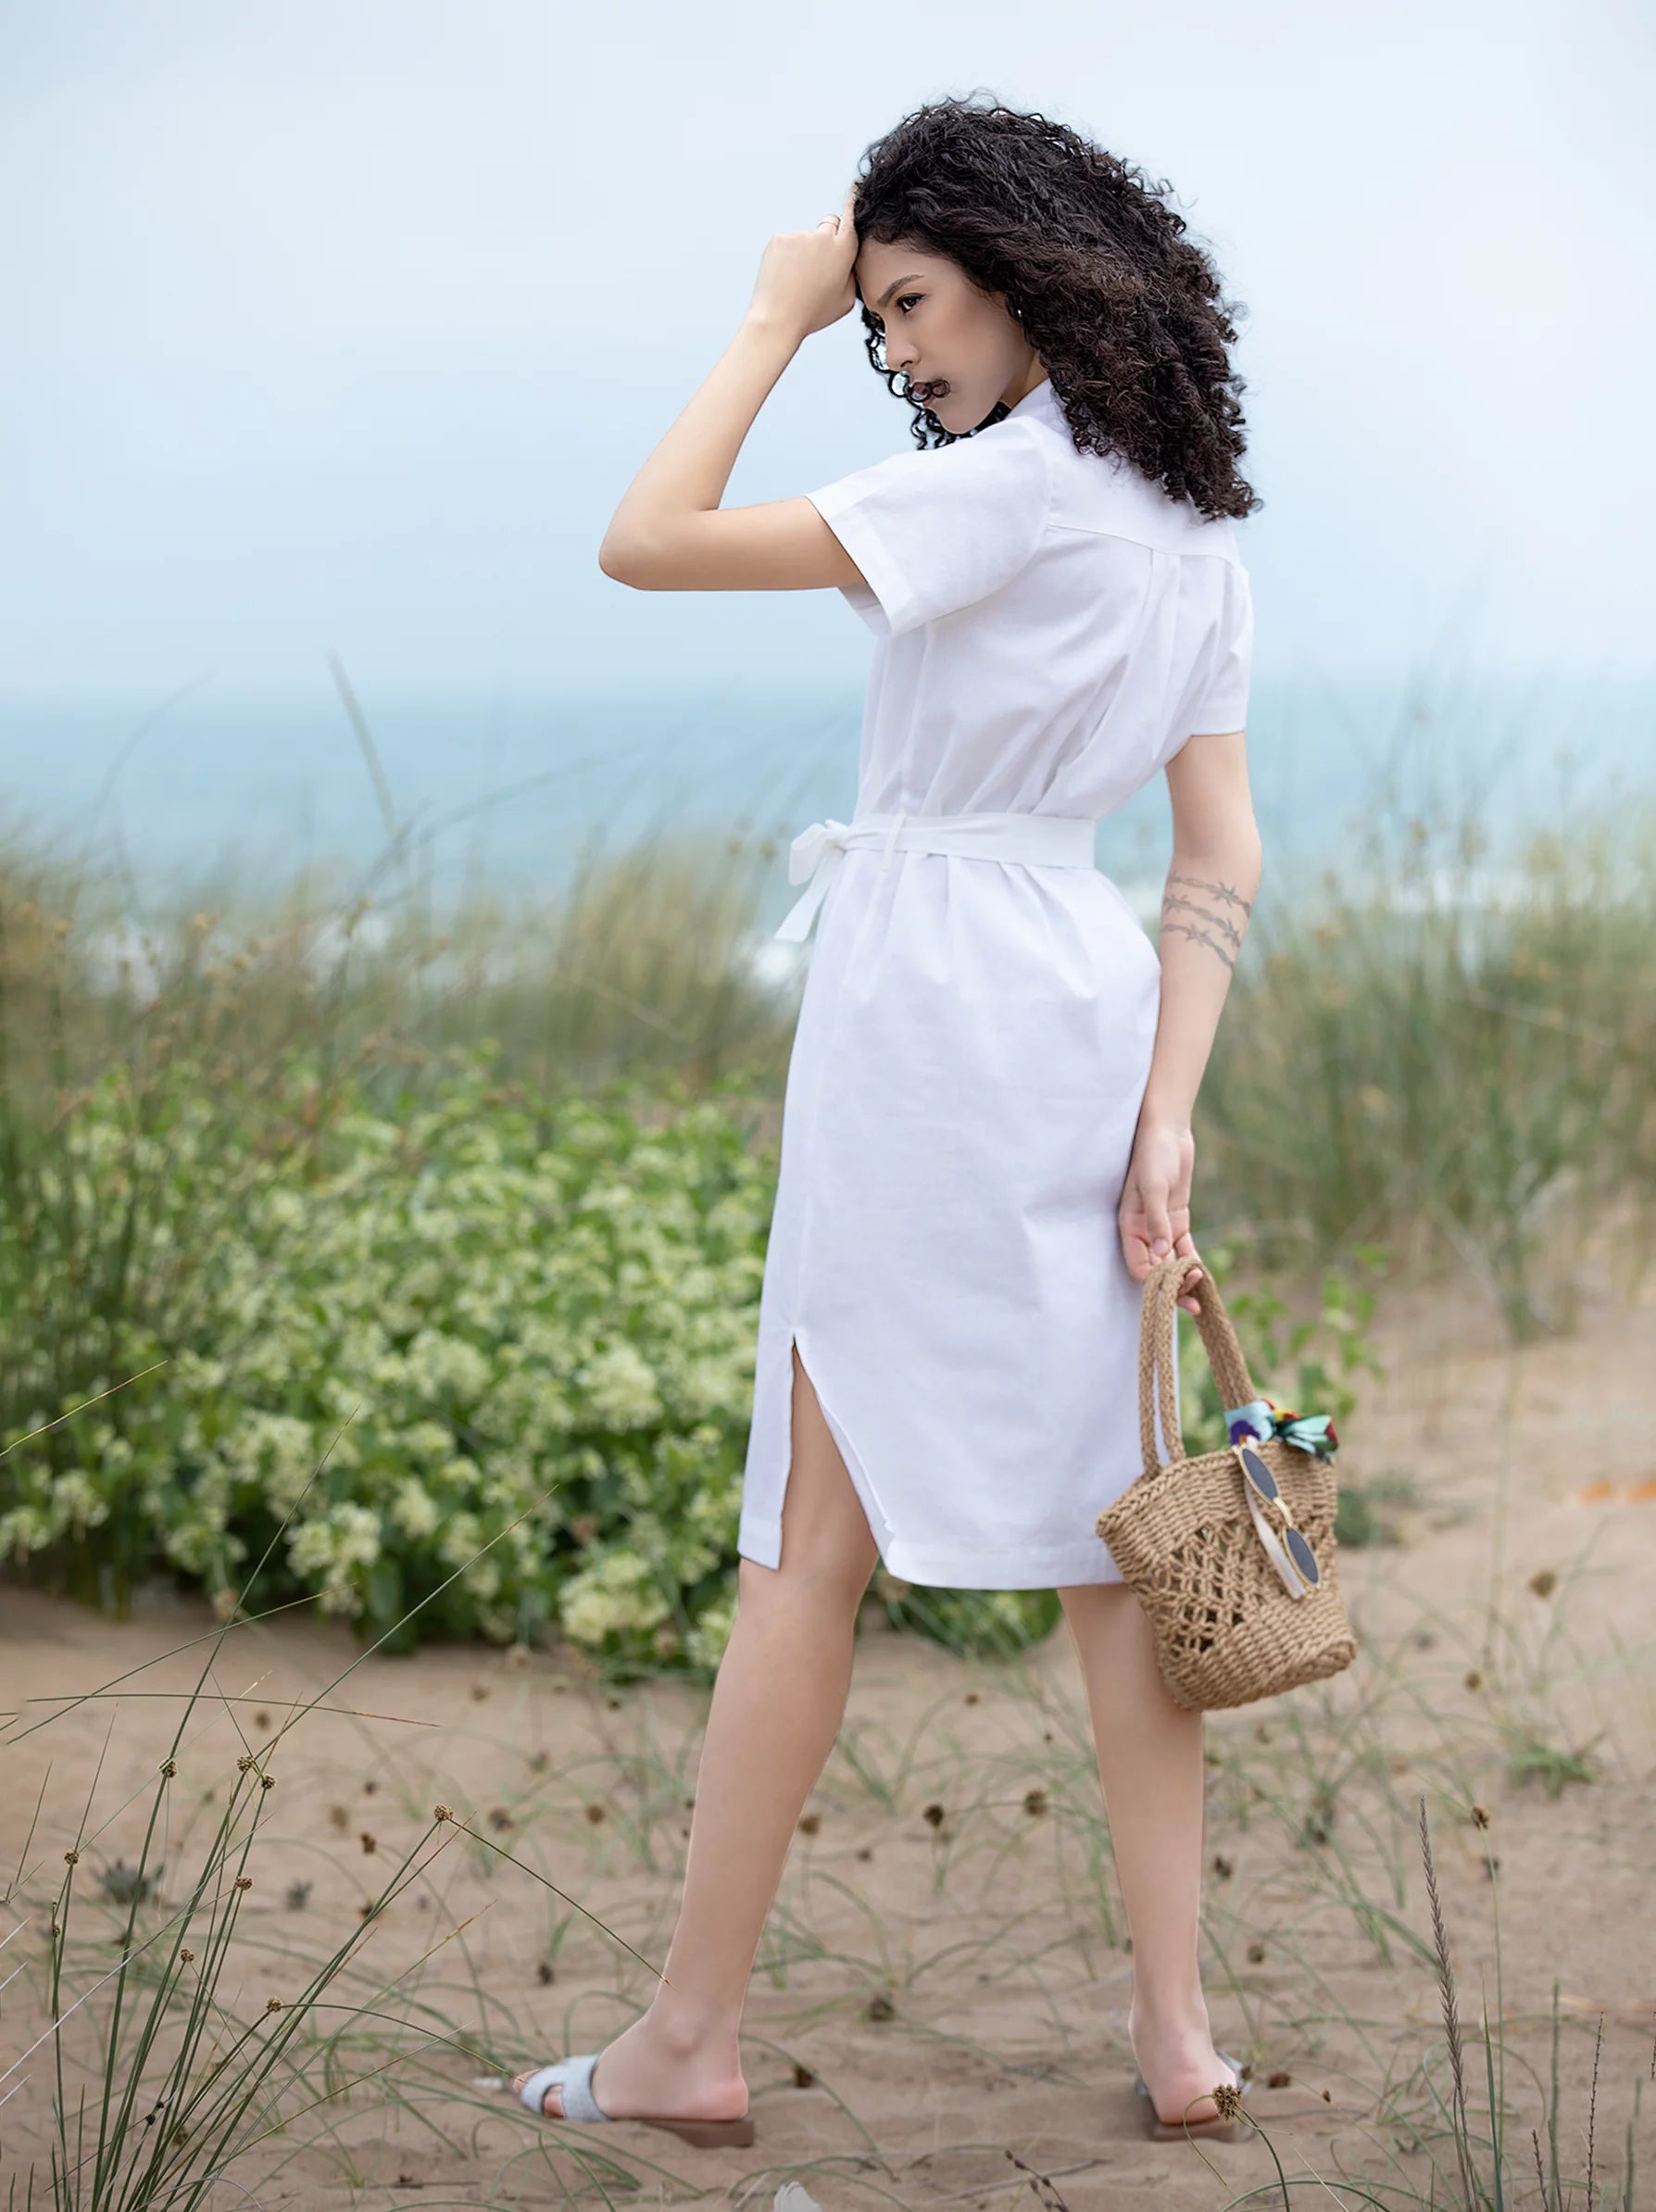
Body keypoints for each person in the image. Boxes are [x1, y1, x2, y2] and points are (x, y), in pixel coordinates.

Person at [514, 94, 1262, 2151]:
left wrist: (764, 317)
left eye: (912, 305)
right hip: (1086, 1008)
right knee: (1131, 1552)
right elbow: (1221, 860)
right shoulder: (1188, 526)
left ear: (1020, 275)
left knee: (810, 1546)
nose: (900, 351)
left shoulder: (1009, 494)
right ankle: (1179, 2034)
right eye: (870, 321)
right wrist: (1168, 1115)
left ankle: (685, 2043)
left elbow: (643, 539)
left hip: (928, 1012)